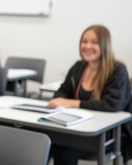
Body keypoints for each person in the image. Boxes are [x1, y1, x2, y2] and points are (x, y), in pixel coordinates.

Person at [47, 25, 132, 165]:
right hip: (76, 128)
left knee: (64, 153)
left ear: (104, 45)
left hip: (108, 134)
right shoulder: (79, 66)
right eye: (84, 41)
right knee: (46, 143)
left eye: (94, 42)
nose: (87, 46)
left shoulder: (118, 70)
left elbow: (112, 104)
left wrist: (73, 103)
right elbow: (62, 91)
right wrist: (60, 100)